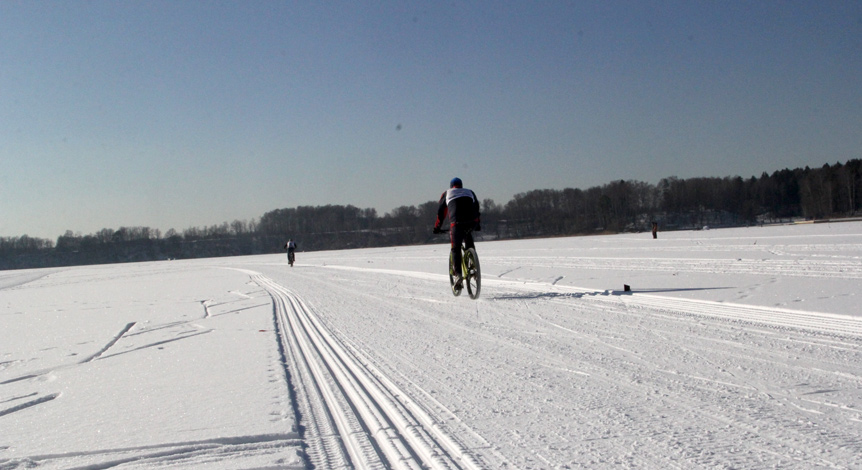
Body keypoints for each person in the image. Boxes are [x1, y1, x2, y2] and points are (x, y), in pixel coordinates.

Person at [433, 177, 481, 288]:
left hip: (456, 224)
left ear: (451, 186)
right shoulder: (470, 192)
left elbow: (441, 212)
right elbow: (476, 208)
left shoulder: (447, 193)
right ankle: (473, 264)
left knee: (456, 248)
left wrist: (437, 227)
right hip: (471, 222)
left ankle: (458, 275)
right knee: (468, 239)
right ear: (461, 185)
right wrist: (477, 224)